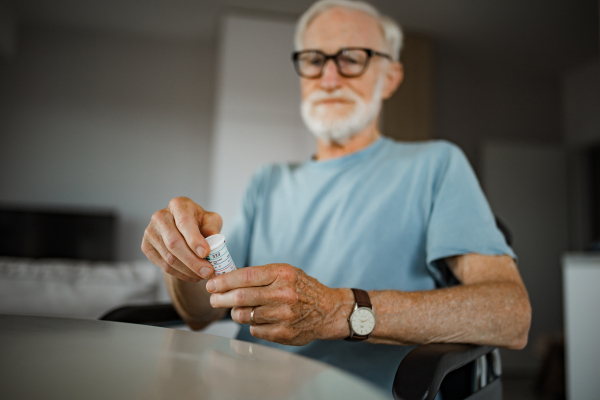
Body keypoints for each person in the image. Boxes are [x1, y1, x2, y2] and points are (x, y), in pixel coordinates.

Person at [141, 0, 532, 390]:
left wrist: (338, 311)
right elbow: (198, 313)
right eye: (313, 59)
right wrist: (184, 255)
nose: (329, 77)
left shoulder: (437, 165)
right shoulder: (267, 181)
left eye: (351, 57)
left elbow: (510, 314)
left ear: (391, 77)